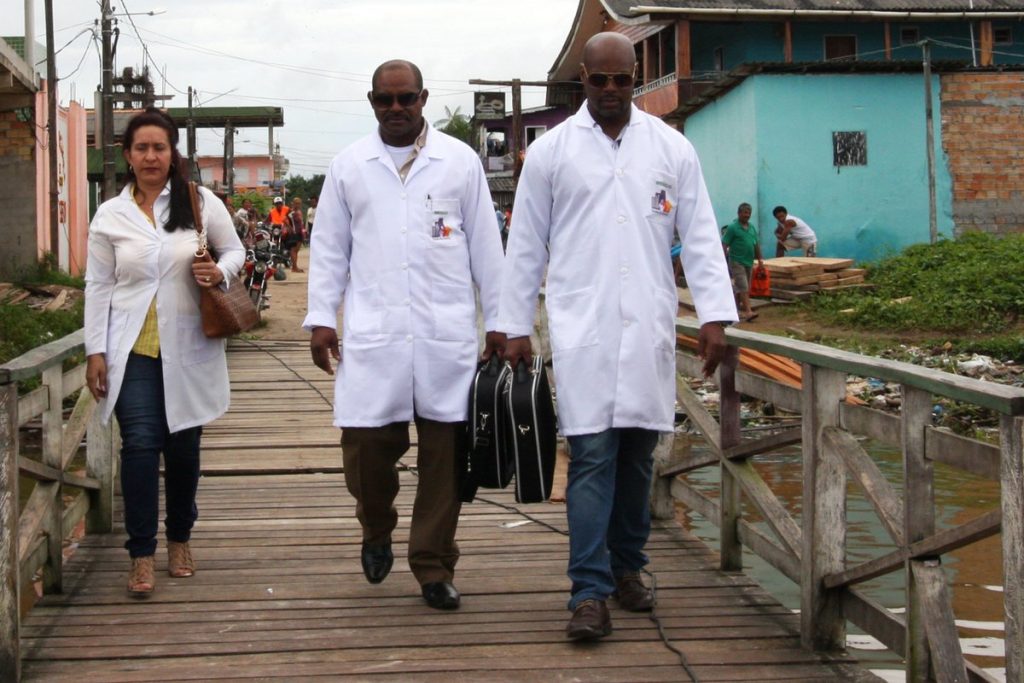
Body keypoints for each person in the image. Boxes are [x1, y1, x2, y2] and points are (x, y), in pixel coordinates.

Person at [497, 32, 738, 641]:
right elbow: (525, 244)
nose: (609, 91)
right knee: (592, 456)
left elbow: (702, 236)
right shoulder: (552, 153)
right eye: (598, 80)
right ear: (583, 79)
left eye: (621, 80)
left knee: (637, 459)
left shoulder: (672, 148)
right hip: (583, 327)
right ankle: (589, 591)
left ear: (635, 79)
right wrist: (515, 326)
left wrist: (715, 315)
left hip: (649, 325)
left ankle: (629, 566)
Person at [304, 59, 505, 611]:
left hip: (446, 341)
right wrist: (322, 317)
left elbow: (487, 249)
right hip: (374, 337)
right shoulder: (350, 167)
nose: (396, 109)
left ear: (423, 99)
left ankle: (433, 564)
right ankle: (375, 527)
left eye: (406, 99)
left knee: (446, 458)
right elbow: (328, 250)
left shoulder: (459, 164)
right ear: (372, 102)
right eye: (384, 100)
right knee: (366, 452)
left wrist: (501, 323)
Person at [83, 107, 245, 594]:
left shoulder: (198, 202)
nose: (151, 156)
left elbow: (234, 250)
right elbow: (97, 285)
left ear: (173, 153)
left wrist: (220, 273)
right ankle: (140, 553)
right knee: (138, 447)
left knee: (183, 449)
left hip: (188, 345)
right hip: (130, 350)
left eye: (160, 147)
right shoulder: (111, 214)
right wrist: (95, 351)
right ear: (127, 156)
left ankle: (179, 538)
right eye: (141, 148)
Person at [722, 202, 764, 321]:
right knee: (743, 286)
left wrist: (760, 259)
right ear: (739, 213)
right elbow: (724, 244)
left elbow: (756, 244)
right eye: (745, 212)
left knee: (741, 287)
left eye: (749, 213)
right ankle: (748, 312)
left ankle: (732, 311)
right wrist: (722, 260)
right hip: (736, 261)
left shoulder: (751, 227)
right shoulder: (732, 227)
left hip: (748, 261)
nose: (747, 215)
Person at [286, 197, 305, 272]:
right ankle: (294, 267)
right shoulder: (291, 211)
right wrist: (289, 227)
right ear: (293, 203)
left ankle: (295, 266)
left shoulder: (299, 211)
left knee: (296, 250)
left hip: (300, 232)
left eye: (299, 203)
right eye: (296, 203)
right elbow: (284, 219)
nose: (298, 205)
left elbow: (301, 222)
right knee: (293, 250)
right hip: (295, 233)